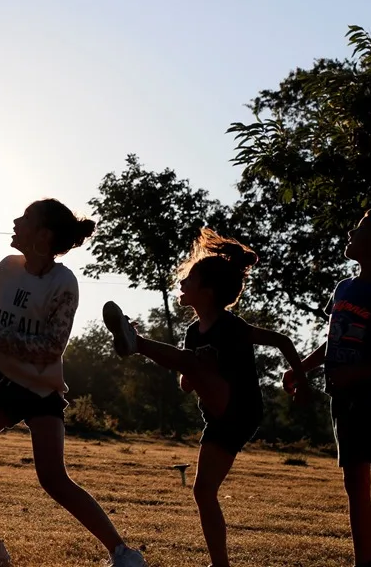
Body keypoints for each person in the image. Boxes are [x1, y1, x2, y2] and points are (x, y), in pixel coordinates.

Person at [0, 199, 148, 567]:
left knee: (53, 479)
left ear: (43, 235)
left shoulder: (64, 283)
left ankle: (124, 554)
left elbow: (51, 348)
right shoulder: (7, 266)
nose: (16, 221)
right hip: (0, 384)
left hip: (40, 389)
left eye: (26, 217)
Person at [102, 228, 309, 567]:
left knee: (192, 360)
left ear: (207, 292)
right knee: (203, 491)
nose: (181, 283)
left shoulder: (231, 327)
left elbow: (283, 341)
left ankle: (135, 341)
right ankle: (220, 564)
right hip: (217, 417)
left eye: (189, 280)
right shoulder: (192, 332)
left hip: (241, 410)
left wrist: (300, 379)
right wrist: (194, 370)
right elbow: (186, 384)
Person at [283, 208, 371, 567]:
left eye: (359, 228)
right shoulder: (343, 288)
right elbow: (333, 340)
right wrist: (300, 369)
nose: (350, 233)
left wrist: (356, 374)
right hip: (344, 403)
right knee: (354, 485)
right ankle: (365, 562)